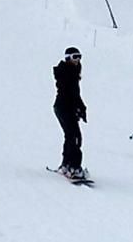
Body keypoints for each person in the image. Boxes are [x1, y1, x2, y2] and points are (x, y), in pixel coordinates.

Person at [53, 47, 88, 179]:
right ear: (68, 58)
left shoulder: (72, 71)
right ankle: (74, 167)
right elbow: (71, 93)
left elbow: (75, 94)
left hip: (65, 107)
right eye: (75, 57)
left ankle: (67, 165)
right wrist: (78, 107)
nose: (78, 60)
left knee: (70, 136)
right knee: (75, 137)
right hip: (64, 107)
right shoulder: (67, 72)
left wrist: (80, 108)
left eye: (80, 56)